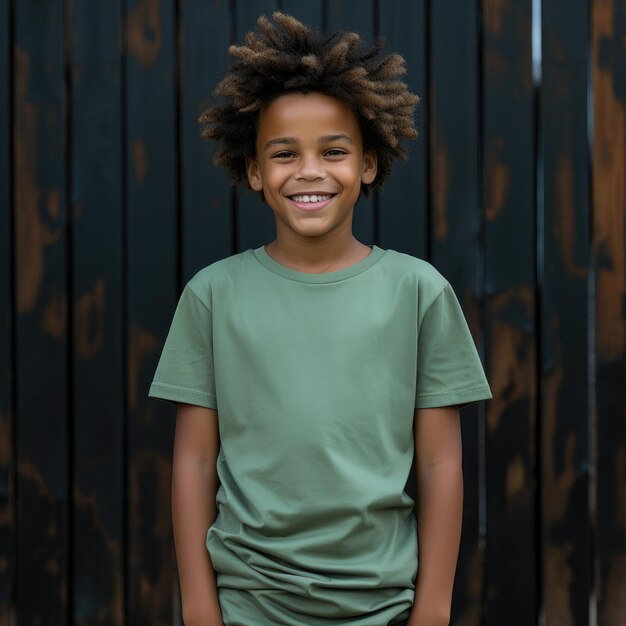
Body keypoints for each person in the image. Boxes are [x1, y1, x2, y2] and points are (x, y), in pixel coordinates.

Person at [148, 11, 492, 626]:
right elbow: (193, 463)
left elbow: (442, 463)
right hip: (248, 605)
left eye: (333, 150)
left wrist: (434, 610)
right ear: (254, 170)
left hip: (383, 607)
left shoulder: (419, 293)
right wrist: (200, 607)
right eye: (284, 153)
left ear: (367, 163)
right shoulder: (211, 296)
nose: (309, 170)